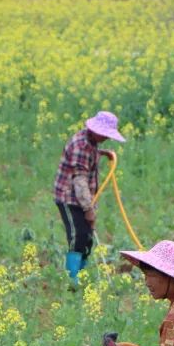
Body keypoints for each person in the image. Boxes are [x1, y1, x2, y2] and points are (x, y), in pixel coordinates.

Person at [53, 112, 125, 283]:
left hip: (84, 198)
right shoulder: (81, 146)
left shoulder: (91, 143)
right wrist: (88, 209)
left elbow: (88, 154)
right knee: (77, 236)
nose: (107, 138)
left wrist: (100, 152)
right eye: (105, 134)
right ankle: (72, 280)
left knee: (88, 239)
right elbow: (79, 180)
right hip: (69, 198)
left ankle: (81, 274)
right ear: (95, 130)